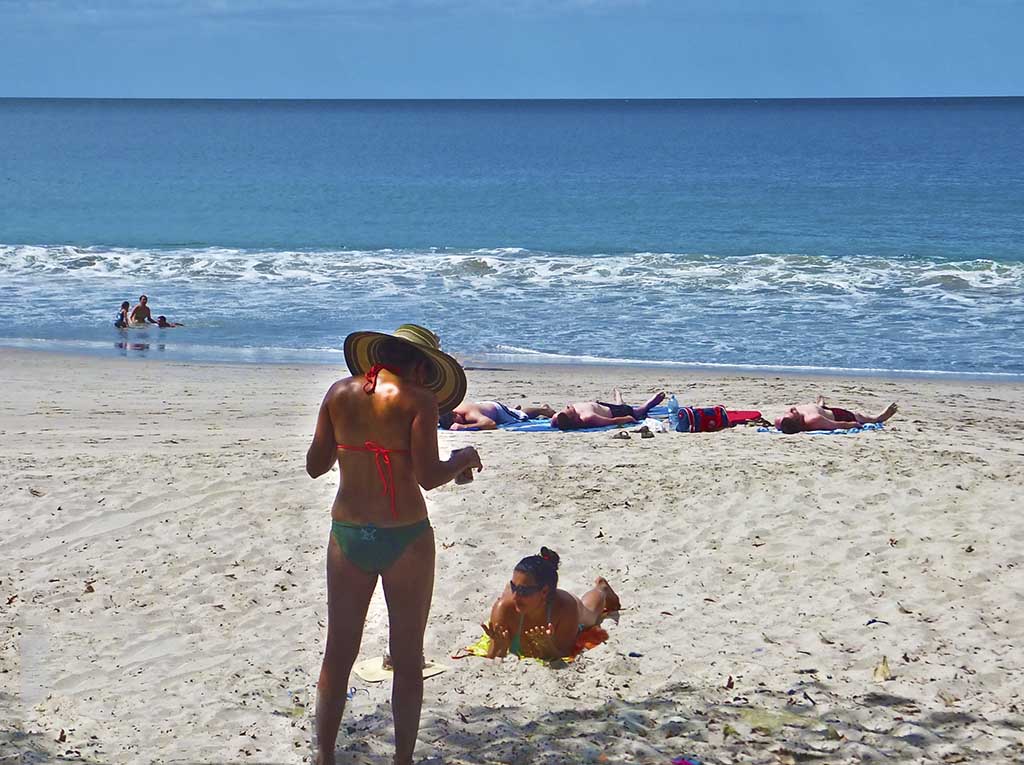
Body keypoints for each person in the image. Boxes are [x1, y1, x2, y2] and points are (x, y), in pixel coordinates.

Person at [305, 323, 483, 765]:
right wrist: (464, 458)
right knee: (407, 659)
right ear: (422, 366)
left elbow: (315, 465)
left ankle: (324, 757)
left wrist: (354, 445)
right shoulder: (417, 399)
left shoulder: (338, 393)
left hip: (347, 535)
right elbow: (427, 475)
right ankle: (401, 761)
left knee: (338, 654)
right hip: (405, 536)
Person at [481, 547, 620, 660]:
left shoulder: (565, 608)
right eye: (513, 587)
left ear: (544, 592)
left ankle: (602, 589)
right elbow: (492, 656)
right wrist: (499, 647)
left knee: (591, 616)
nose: (516, 596)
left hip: (565, 604)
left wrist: (549, 648)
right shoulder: (504, 609)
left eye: (523, 591)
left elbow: (564, 653)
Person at [550, 388, 665, 430]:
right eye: (569, 409)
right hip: (613, 412)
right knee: (637, 411)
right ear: (573, 418)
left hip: (601, 405)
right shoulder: (588, 418)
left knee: (621, 405)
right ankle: (649, 404)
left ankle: (619, 400)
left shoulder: (557, 418)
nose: (569, 406)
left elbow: (555, 421)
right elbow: (612, 421)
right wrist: (628, 419)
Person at [775, 395, 898, 434]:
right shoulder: (813, 420)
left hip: (820, 410)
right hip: (835, 414)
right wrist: (853, 425)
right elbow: (836, 425)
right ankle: (879, 417)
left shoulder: (780, 421)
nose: (791, 409)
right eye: (793, 413)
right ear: (798, 421)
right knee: (859, 416)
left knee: (818, 407)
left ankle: (820, 406)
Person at [439, 400, 556, 430]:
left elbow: (490, 424)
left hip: (497, 410)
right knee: (514, 413)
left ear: (455, 414)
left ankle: (543, 410)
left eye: (457, 421)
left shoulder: (470, 414)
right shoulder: (451, 411)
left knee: (522, 416)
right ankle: (512, 410)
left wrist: (464, 427)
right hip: (485, 408)